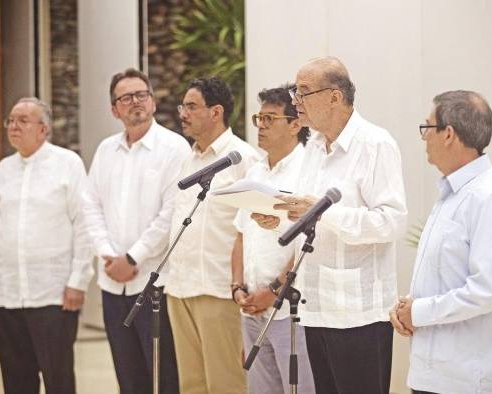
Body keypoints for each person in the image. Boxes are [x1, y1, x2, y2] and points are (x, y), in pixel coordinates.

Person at [255, 57, 408, 393]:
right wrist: (278, 215)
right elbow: (306, 209)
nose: (295, 100)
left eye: (304, 92)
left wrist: (325, 213)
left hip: (359, 313)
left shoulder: (375, 144)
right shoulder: (313, 148)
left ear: (335, 97)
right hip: (316, 307)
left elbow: (392, 221)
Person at [389, 91, 492, 394]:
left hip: (465, 379)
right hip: (431, 373)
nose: (424, 138)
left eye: (427, 128)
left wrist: (419, 312)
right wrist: (408, 305)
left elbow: (488, 290)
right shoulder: (453, 192)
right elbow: (445, 274)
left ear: (448, 134)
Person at [82, 68, 190, 394]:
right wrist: (109, 255)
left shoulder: (175, 148)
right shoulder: (105, 151)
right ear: (115, 109)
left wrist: (133, 257)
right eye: (125, 98)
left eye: (142, 95)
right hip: (113, 284)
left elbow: (171, 214)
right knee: (128, 377)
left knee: (163, 376)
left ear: (153, 102)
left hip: (155, 283)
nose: (135, 103)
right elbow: (90, 206)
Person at [0, 97, 93, 394]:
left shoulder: (68, 164)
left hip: (54, 296)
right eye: (10, 120)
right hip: (9, 295)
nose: (13, 126)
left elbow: (84, 226)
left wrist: (78, 282)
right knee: (16, 383)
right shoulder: (3, 169)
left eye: (22, 121)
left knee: (59, 381)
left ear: (43, 129)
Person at [165, 77, 259, 394]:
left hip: (219, 290)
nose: (183, 113)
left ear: (216, 112)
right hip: (179, 288)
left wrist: (242, 284)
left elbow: (254, 230)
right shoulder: (186, 160)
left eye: (191, 106)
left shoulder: (244, 159)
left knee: (226, 383)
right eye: (183, 106)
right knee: (191, 385)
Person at [230, 84, 315, 394]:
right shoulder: (254, 170)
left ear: (295, 124)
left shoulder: (308, 171)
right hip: (252, 309)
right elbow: (240, 236)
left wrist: (276, 290)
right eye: (259, 118)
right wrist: (238, 287)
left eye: (270, 119)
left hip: (290, 312)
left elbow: (310, 246)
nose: (261, 126)